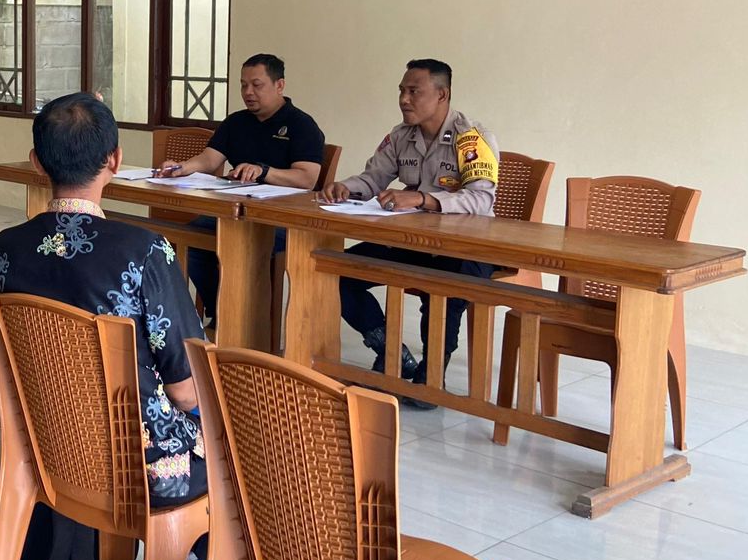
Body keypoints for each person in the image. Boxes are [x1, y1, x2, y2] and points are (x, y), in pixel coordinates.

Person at [0, 93, 209, 560]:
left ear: (37, 162)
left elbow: (5, 362)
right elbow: (187, 391)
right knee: (241, 440)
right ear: (115, 159)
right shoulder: (145, 251)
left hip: (46, 443)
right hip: (141, 466)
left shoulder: (1, 250)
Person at [319, 59, 498, 400]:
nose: (404, 99)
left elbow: (481, 199)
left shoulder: (472, 138)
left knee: (444, 286)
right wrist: (346, 187)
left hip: (466, 246)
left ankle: (431, 378)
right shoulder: (401, 135)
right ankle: (391, 353)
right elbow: (373, 178)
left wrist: (422, 199)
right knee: (338, 273)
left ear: (442, 94)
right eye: (402, 91)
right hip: (412, 240)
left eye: (414, 91)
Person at [159, 54, 325, 324]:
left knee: (237, 243)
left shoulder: (301, 125)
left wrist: (264, 172)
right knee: (192, 239)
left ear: (280, 85)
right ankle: (223, 314)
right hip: (236, 213)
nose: (248, 92)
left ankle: (245, 321)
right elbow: (210, 159)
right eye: (243, 85)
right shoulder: (236, 122)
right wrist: (182, 167)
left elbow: (307, 179)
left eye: (256, 85)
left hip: (282, 220)